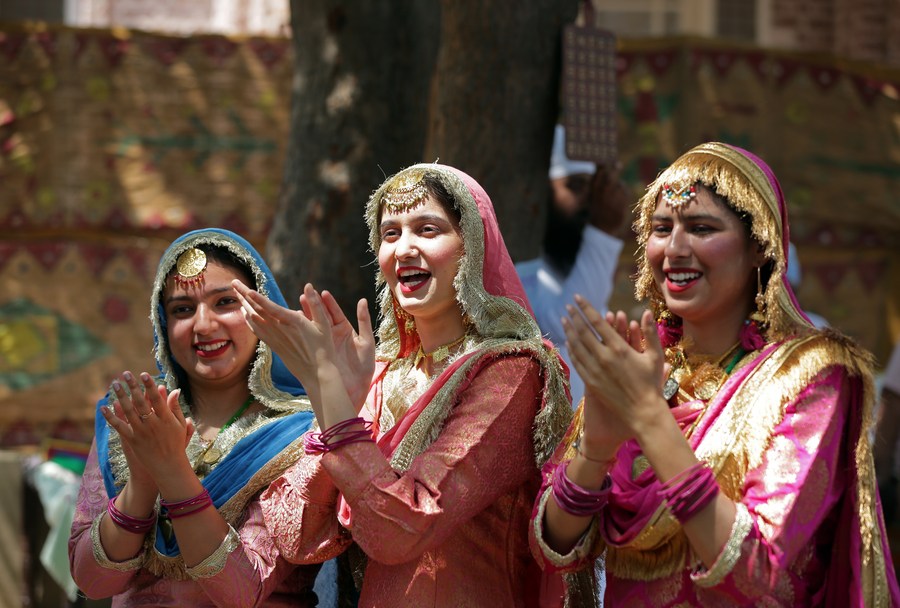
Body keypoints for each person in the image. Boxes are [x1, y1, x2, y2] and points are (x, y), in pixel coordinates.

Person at [530, 142, 900, 606]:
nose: (675, 249)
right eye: (662, 228)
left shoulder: (809, 374)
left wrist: (650, 420)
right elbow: (553, 549)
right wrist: (597, 449)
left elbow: (763, 576)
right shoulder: (643, 361)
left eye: (702, 228)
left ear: (759, 249)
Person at [234, 163, 573, 606]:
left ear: (471, 245)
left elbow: (405, 527)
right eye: (390, 234)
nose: (404, 249)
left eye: (427, 230)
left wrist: (334, 402)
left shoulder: (511, 370)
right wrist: (332, 396)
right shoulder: (379, 374)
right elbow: (298, 535)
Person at [68, 228, 332, 606]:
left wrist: (171, 472)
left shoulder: (302, 434)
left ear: (260, 309)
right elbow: (92, 582)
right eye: (182, 309)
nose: (203, 325)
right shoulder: (135, 415)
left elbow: (239, 590)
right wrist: (142, 484)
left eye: (225, 302)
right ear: (162, 323)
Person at [517, 124, 630, 406]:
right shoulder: (519, 281)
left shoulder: (594, 283)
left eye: (598, 191)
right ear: (542, 193)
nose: (592, 202)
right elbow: (568, 323)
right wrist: (603, 231)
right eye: (576, 186)